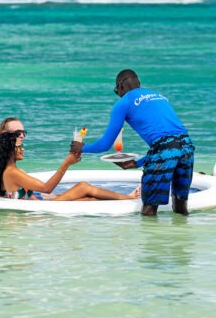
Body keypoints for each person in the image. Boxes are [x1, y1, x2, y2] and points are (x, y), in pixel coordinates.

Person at [74, 69, 194, 216]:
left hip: (164, 149)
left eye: (116, 91)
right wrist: (136, 163)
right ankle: (183, 237)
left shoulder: (123, 103)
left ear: (120, 86)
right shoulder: (159, 96)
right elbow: (171, 142)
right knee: (180, 205)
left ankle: (152, 239)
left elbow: (105, 144)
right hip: (187, 146)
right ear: (139, 83)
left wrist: (82, 147)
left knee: (149, 210)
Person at [0, 130, 139, 201]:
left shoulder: (7, 171)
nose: (22, 149)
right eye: (19, 146)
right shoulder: (11, 172)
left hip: (43, 201)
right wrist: (67, 163)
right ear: (9, 151)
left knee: (89, 198)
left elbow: (40, 192)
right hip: (43, 209)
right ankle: (129, 198)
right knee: (83, 187)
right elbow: (46, 188)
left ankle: (126, 198)